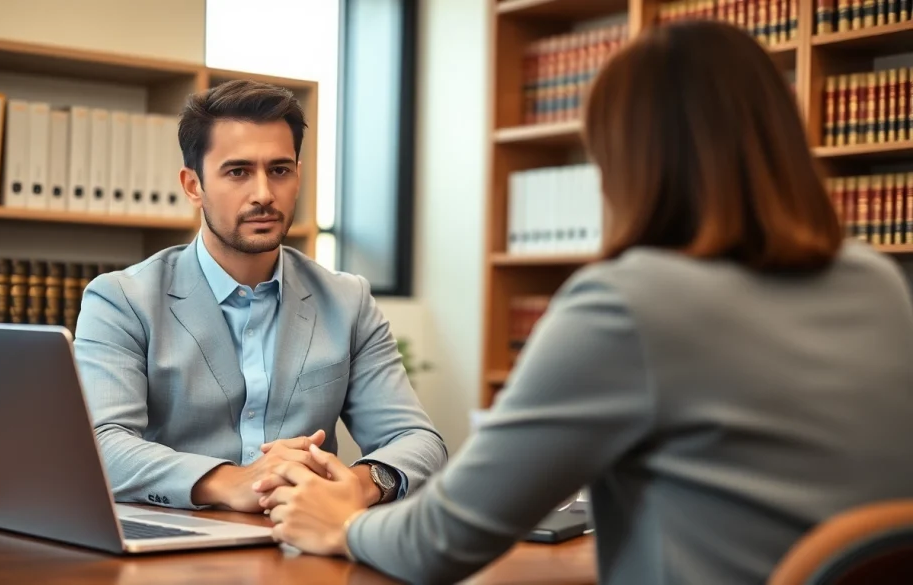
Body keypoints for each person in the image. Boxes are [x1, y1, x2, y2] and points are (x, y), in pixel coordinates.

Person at [251, 20, 913, 585]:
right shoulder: (875, 281)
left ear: (627, 162)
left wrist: (348, 523)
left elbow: (444, 541)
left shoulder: (630, 303)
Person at [73, 79, 447, 514]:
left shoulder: (348, 300)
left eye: (280, 170)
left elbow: (417, 440)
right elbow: (100, 444)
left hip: (304, 537)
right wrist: (229, 481)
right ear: (194, 185)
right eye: (238, 172)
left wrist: (359, 486)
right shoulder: (122, 299)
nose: (264, 194)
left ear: (298, 176)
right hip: (172, 540)